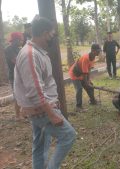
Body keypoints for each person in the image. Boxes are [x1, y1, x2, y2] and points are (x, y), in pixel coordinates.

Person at [14, 16, 76, 169]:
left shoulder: (36, 52)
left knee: (40, 146)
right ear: (43, 33)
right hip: (41, 109)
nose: (52, 38)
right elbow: (35, 90)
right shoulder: (30, 54)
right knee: (68, 136)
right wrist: (52, 114)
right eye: (51, 34)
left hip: (39, 109)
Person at [69, 44, 100, 111]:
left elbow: (88, 70)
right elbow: (84, 72)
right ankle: (78, 107)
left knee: (90, 85)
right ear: (92, 50)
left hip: (82, 74)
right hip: (74, 74)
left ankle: (92, 101)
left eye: (99, 50)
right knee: (79, 89)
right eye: (97, 50)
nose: (99, 52)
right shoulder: (86, 58)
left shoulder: (93, 58)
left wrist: (88, 81)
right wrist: (86, 83)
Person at [4, 32, 23, 120]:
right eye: (20, 40)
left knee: (23, 94)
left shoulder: (19, 49)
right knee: (17, 95)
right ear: (15, 40)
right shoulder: (8, 49)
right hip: (14, 75)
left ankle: (24, 112)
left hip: (21, 74)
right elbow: (15, 61)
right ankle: (18, 115)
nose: (21, 41)